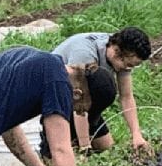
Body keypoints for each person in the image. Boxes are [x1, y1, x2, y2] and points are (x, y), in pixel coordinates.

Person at [45, 26, 154, 156]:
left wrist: (136, 135)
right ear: (116, 52)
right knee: (68, 152)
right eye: (128, 65)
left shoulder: (122, 50)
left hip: (86, 98)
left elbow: (126, 97)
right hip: (57, 94)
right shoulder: (84, 55)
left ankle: (84, 132)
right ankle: (54, 140)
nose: (128, 68)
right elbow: (79, 104)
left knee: (107, 148)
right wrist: (85, 147)